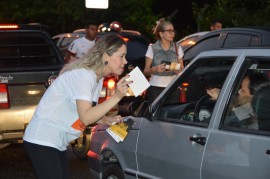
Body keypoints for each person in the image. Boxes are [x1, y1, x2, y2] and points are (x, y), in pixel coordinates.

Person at [23, 34, 132, 179]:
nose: (125, 61)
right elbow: (86, 117)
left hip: (57, 141)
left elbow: (84, 110)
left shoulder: (96, 78)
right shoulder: (84, 76)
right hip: (43, 138)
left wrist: (105, 120)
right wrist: (117, 96)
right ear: (106, 56)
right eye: (122, 56)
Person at [144, 18, 184, 104]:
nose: (172, 33)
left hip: (173, 87)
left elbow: (182, 69)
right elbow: (146, 71)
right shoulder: (152, 48)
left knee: (171, 114)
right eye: (169, 31)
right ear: (161, 34)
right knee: (155, 115)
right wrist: (154, 69)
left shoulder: (177, 47)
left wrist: (177, 70)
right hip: (155, 87)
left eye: (173, 31)